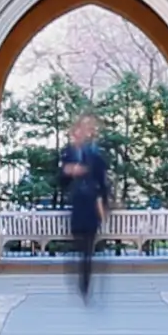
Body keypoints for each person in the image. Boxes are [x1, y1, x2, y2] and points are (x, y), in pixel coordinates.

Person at [52, 115, 116, 301]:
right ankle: (80, 276)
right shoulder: (68, 154)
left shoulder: (94, 155)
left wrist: (104, 204)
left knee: (87, 247)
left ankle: (85, 283)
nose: (80, 134)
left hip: (91, 206)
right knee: (79, 244)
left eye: (85, 130)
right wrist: (68, 171)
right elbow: (60, 181)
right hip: (77, 206)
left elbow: (102, 182)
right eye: (78, 130)